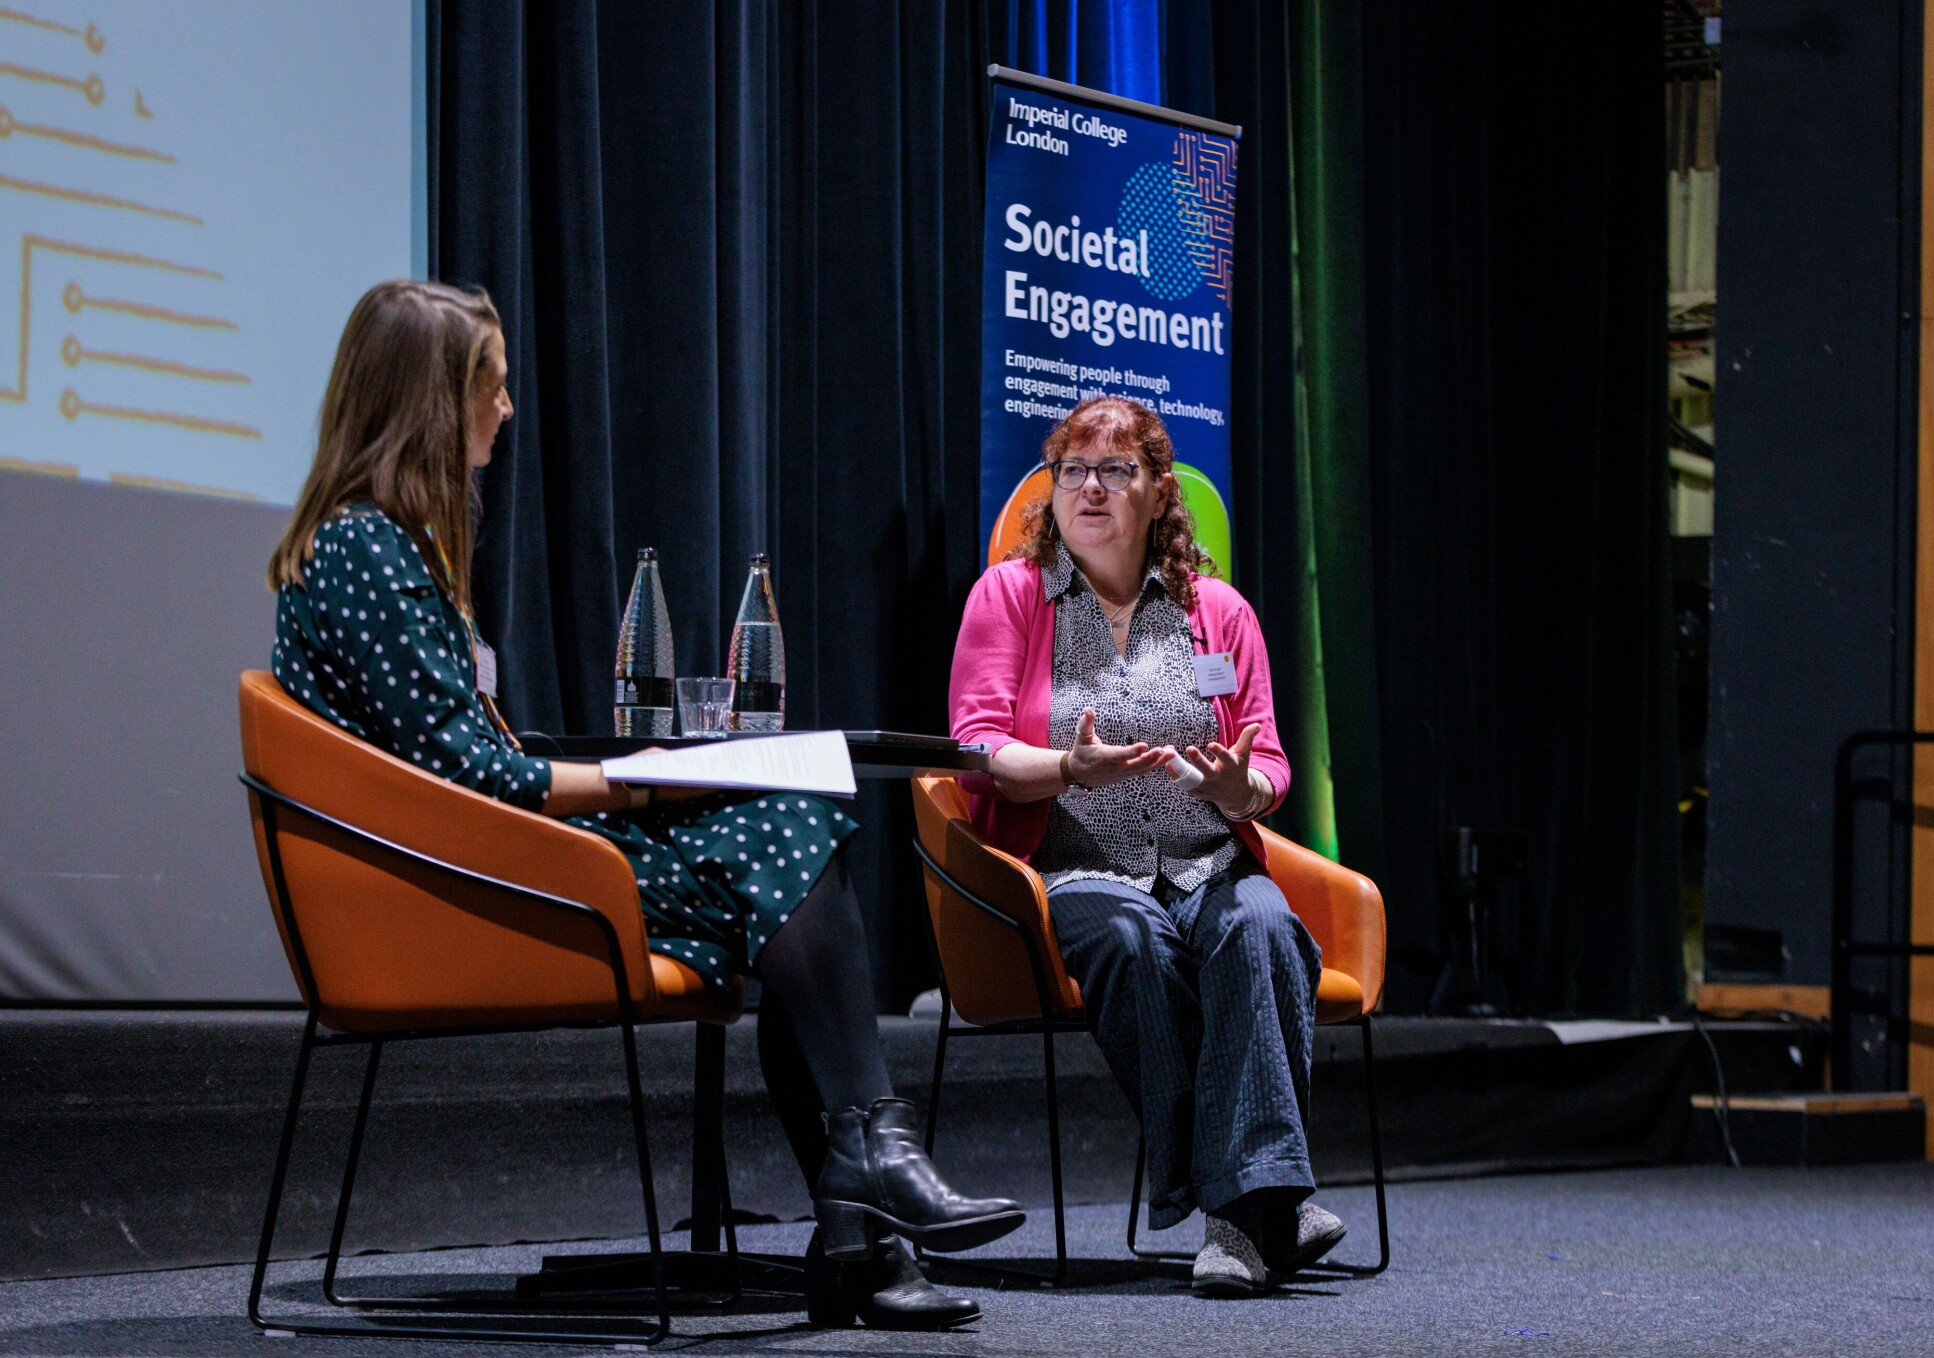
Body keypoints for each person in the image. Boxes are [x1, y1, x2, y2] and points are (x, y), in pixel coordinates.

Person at [267, 279, 1020, 1330]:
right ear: (432, 400)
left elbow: (466, 759)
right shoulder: (367, 553)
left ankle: (866, 1204)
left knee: (788, 834)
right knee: (788, 841)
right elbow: (472, 781)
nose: (507, 407)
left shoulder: (395, 547)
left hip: (484, 858)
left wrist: (647, 780)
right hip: (452, 891)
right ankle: (866, 1197)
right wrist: (638, 774)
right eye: (492, 382)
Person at [948, 395, 1346, 1298]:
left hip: (1208, 857)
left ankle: (1237, 1216)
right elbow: (974, 746)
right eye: (1072, 471)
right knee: (1133, 940)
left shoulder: (1220, 613)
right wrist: (1064, 767)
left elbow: (1269, 759)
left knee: (1266, 929)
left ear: (1159, 491)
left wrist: (1238, 788)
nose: (1090, 489)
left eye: (1115, 470)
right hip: (1069, 864)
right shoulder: (1011, 595)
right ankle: (1253, 1205)